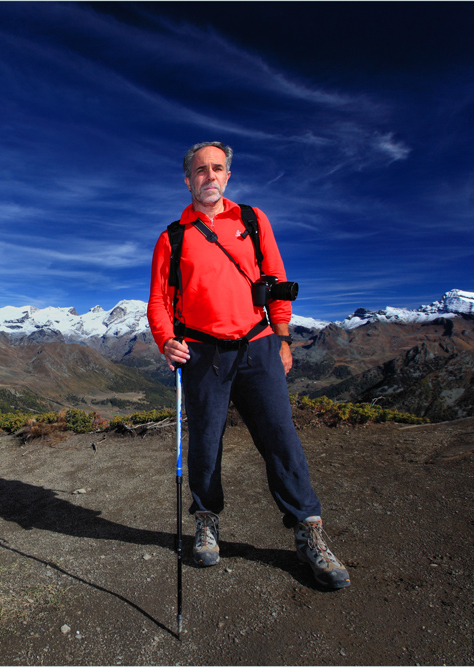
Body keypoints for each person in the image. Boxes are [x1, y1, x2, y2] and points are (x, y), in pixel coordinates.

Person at [146, 141, 350, 590]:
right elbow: (159, 301)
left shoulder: (253, 222)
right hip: (201, 352)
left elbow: (274, 281)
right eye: (201, 170)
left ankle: (308, 529)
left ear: (228, 176)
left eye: (217, 168)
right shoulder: (173, 237)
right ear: (188, 180)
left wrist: (281, 337)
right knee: (204, 441)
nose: (210, 176)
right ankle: (206, 520)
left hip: (258, 346)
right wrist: (167, 340)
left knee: (280, 436)